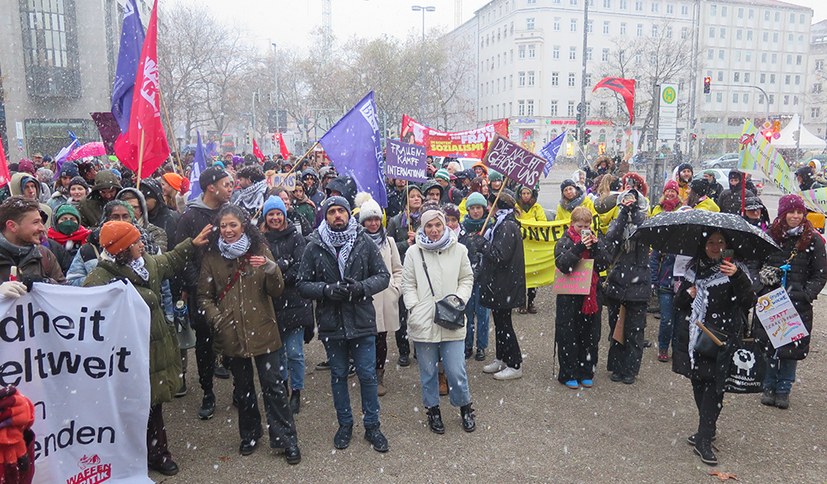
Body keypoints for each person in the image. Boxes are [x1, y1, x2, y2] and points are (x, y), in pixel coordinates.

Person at [84, 220, 212, 475]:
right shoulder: (100, 279)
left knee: (153, 406)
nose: (142, 244)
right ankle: (136, 456)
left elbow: (168, 261)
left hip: (152, 350)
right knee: (133, 408)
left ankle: (158, 454)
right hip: (127, 354)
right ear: (122, 249)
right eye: (136, 242)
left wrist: (191, 245)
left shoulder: (145, 265)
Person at [197, 204, 301, 463]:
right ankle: (250, 435)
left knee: (274, 387)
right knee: (243, 389)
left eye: (233, 225)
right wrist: (217, 319)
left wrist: (270, 267)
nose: (228, 230)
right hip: (231, 332)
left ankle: (286, 439)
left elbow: (276, 290)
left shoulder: (259, 250)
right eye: (224, 226)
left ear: (243, 226)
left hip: (263, 329)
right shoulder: (212, 257)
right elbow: (204, 296)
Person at [297, 196, 391, 452]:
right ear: (325, 216)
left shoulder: (363, 241)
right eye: (332, 212)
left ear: (349, 214)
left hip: (361, 319)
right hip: (331, 323)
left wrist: (360, 288)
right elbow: (302, 284)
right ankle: (345, 424)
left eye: (341, 211)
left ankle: (372, 426)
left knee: (368, 375)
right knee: (338, 376)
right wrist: (326, 290)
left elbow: (383, 276)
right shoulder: (314, 245)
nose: (337, 215)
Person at [672, 231, 755, 466]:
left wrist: (737, 276)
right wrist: (689, 293)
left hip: (723, 338)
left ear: (728, 246)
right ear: (703, 245)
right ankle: (706, 428)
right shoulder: (694, 268)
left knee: (715, 387)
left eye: (721, 243)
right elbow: (679, 303)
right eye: (711, 242)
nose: (716, 247)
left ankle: (704, 438)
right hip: (696, 337)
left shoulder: (736, 269)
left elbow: (749, 301)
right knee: (698, 383)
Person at [401, 205, 476, 434]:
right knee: (428, 371)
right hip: (424, 321)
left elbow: (466, 278)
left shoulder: (459, 249)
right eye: (429, 225)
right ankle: (433, 409)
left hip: (451, 316)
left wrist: (458, 300)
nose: (434, 230)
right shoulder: (414, 252)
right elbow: (408, 283)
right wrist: (415, 307)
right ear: (422, 227)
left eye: (438, 225)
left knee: (456, 370)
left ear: (445, 225)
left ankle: (465, 407)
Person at [172, 166, 234, 420]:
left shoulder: (231, 213)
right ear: (211, 187)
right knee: (205, 343)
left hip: (231, 289)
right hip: (202, 292)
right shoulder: (189, 217)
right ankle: (208, 391)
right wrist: (198, 285)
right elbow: (180, 255)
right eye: (226, 184)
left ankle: (240, 389)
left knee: (234, 338)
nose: (231, 189)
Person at [754, 194, 827, 409]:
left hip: (797, 303)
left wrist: (805, 294)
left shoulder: (812, 239)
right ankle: (768, 385)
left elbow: (820, 273)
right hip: (771, 301)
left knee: (790, 348)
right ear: (783, 214)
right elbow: (754, 264)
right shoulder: (769, 236)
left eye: (799, 212)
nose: (795, 216)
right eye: (791, 212)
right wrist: (760, 288)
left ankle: (783, 389)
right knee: (769, 345)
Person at [261, 195, 313, 414]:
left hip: (295, 304)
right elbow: (260, 269)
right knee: (279, 352)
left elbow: (301, 266)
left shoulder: (296, 237)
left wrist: (278, 272)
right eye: (270, 214)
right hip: (271, 304)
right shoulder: (260, 240)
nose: (274, 218)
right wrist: (280, 267)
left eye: (278, 213)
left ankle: (297, 390)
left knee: (295, 353)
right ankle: (282, 386)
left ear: (284, 215)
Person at [554, 206, 610, 389]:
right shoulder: (564, 240)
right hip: (569, 296)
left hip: (591, 295)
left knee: (590, 336)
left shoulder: (596, 239)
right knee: (568, 334)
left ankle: (586, 371)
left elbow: (603, 264)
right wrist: (578, 248)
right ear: (572, 224)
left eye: (587, 225)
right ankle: (568, 372)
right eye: (580, 226)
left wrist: (594, 248)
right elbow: (562, 264)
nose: (584, 229)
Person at [603, 189, 650, 384]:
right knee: (616, 328)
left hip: (638, 284)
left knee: (635, 330)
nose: (629, 202)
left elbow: (645, 233)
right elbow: (611, 238)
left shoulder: (645, 221)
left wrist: (635, 213)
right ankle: (617, 366)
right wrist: (623, 213)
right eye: (626, 199)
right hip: (617, 282)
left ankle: (631, 368)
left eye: (633, 199)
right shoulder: (618, 221)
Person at [479, 189, 525, 380]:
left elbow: (500, 256)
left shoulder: (507, 226)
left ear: (499, 206)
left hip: (505, 284)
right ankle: (502, 358)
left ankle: (515, 364)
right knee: (499, 323)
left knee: (505, 324)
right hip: (499, 284)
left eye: (491, 204)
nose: (488, 208)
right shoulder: (501, 224)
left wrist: (482, 245)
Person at [359, 196, 403, 397]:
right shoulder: (357, 241)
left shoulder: (390, 241)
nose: (373, 223)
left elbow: (398, 269)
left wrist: (396, 288)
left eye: (376, 219)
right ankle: (365, 373)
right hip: (364, 297)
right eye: (369, 219)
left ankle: (378, 375)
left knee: (381, 338)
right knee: (364, 337)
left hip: (385, 297)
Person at [649, 180, 683, 362]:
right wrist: (654, 280)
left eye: (673, 191)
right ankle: (663, 348)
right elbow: (654, 258)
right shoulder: (665, 239)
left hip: (683, 286)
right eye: (668, 191)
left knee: (679, 321)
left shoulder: (689, 243)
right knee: (667, 320)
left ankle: (677, 350)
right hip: (665, 283)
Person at [0, 197, 65, 284]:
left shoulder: (44, 255)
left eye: (41, 222)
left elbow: (63, 292)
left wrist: (46, 283)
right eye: (35, 222)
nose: (42, 228)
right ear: (12, 226)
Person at [458, 192, 490, 361]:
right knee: (467, 313)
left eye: (479, 208)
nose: (476, 211)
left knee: (483, 314)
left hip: (485, 278)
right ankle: (467, 344)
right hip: (468, 277)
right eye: (473, 208)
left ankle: (482, 346)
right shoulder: (463, 228)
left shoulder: (490, 227)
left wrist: (483, 247)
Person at [516, 185, 546, 314]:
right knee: (521, 276)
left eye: (528, 193)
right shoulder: (516, 208)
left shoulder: (537, 208)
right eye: (523, 193)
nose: (526, 196)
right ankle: (521, 303)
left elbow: (543, 224)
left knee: (533, 277)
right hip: (521, 247)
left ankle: (531, 302)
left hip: (533, 247)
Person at [46, 204, 90, 271]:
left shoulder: (87, 237)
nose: (68, 222)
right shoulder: (48, 239)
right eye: (64, 219)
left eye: (72, 219)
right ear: (56, 222)